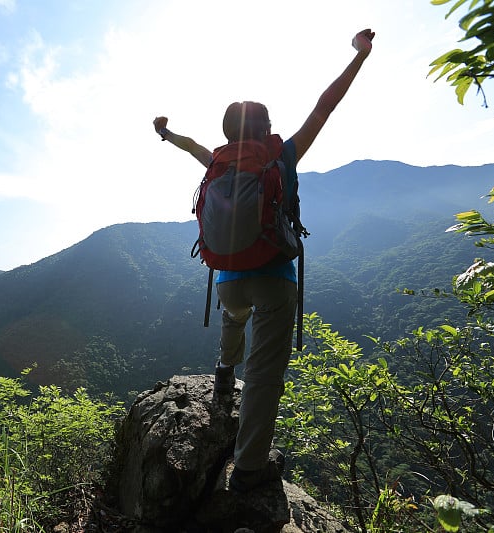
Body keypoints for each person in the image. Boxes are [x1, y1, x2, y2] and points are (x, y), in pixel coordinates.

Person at [152, 28, 375, 492]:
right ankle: (249, 469)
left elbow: (191, 144)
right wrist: (360, 56)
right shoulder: (283, 155)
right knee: (265, 374)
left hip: (228, 279)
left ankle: (222, 371)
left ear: (228, 133)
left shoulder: (217, 161)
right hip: (275, 279)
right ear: (266, 127)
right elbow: (324, 107)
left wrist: (166, 132)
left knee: (235, 315)